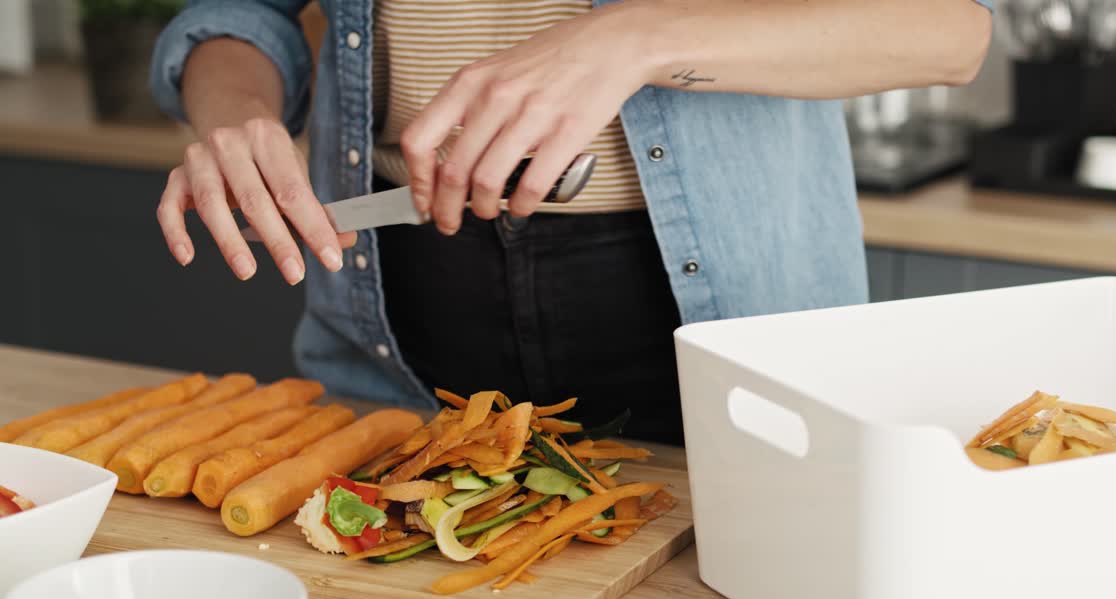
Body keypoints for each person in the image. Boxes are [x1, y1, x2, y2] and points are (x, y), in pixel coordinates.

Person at [150, 0, 993, 444]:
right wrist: (233, 114)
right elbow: (243, 9)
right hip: (394, 328)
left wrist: (636, 36)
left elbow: (947, 30)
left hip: (731, 331)